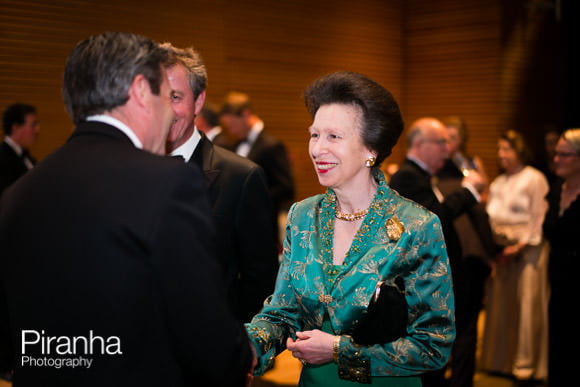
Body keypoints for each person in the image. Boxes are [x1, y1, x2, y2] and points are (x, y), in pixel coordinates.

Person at [0, 32, 253, 386]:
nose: (170, 114)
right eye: (166, 97)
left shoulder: (17, 194)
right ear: (139, 91)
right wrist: (240, 354)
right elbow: (207, 339)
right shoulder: (166, 183)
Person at [245, 71, 456, 386]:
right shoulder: (303, 217)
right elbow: (282, 311)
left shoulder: (417, 226)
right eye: (314, 135)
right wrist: (244, 349)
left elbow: (433, 345)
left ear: (371, 149)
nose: (317, 149)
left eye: (333, 136)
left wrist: (336, 350)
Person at [161, 42, 279, 322]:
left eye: (175, 97)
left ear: (198, 102)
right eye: (156, 97)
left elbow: (259, 280)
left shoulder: (241, 177)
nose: (164, 110)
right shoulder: (127, 170)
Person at [388, 117, 486, 387]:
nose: (447, 149)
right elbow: (432, 222)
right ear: (419, 144)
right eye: (441, 142)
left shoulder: (421, 176)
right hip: (422, 283)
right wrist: (467, 192)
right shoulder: (408, 176)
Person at [480, 130, 549, 384]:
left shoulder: (534, 178)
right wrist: (496, 250)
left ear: (519, 151)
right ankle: (501, 361)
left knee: (526, 306)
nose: (501, 155)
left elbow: (539, 216)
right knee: (501, 309)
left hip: (528, 250)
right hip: (502, 252)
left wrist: (519, 246)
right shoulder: (498, 183)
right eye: (499, 149)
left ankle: (526, 365)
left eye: (506, 149)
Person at [435, 116, 497, 387]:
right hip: (449, 254)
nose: (445, 144)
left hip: (468, 252)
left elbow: (480, 211)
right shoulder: (434, 171)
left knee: (465, 327)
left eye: (450, 138)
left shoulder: (469, 166)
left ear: (460, 141)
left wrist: (490, 251)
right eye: (442, 139)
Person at [219, 91, 295, 243]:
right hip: (237, 227)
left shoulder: (271, 145)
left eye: (233, 125)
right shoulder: (235, 144)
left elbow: (286, 188)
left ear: (246, 115)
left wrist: (251, 198)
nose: (232, 131)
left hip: (262, 226)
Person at [543, 128, 580, 387]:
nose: (557, 159)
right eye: (556, 154)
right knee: (558, 341)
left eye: (564, 154)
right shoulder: (556, 189)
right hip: (558, 278)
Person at [0, 103, 40, 196]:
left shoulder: (27, 157)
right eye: (33, 125)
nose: (37, 130)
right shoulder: (2, 159)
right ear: (16, 128)